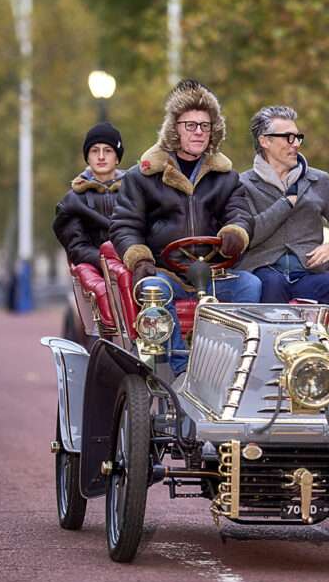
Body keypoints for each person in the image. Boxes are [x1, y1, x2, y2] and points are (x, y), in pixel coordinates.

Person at [110, 79, 260, 374]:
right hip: (168, 274)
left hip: (214, 273)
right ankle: (180, 371)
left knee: (251, 285)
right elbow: (124, 225)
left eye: (205, 126)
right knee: (153, 290)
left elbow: (241, 215)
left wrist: (235, 233)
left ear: (214, 131)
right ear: (174, 129)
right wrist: (139, 258)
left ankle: (229, 366)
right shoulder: (141, 177)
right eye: (190, 125)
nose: (198, 132)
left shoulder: (227, 178)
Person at [235, 105, 329, 337]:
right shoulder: (242, 184)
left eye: (298, 137)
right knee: (269, 285)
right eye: (288, 137)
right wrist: (286, 203)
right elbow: (248, 237)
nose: (295, 143)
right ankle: (270, 364)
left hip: (309, 274)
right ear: (265, 141)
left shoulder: (319, 180)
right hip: (264, 271)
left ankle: (326, 359)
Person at [52, 122, 126, 330]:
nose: (101, 156)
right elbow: (76, 248)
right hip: (97, 269)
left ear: (117, 157)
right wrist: (109, 261)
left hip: (133, 264)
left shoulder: (137, 192)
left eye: (108, 150)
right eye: (95, 151)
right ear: (88, 157)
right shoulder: (73, 201)